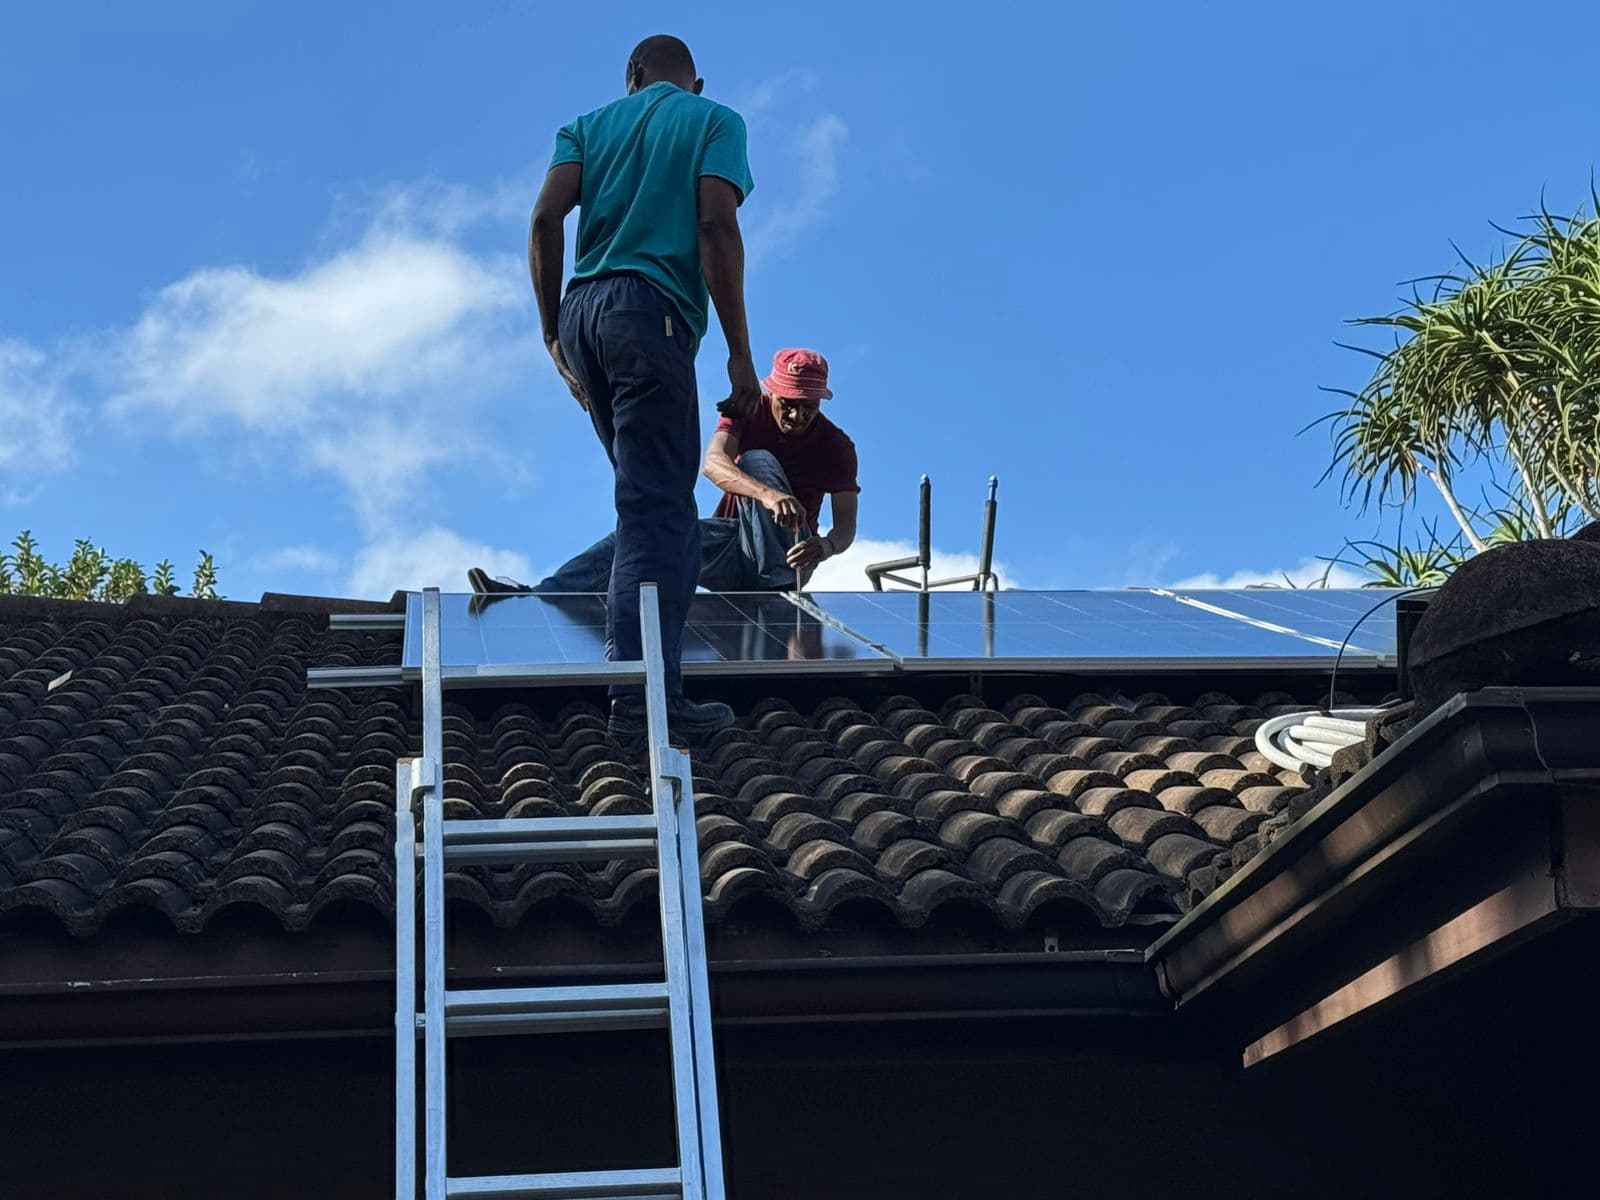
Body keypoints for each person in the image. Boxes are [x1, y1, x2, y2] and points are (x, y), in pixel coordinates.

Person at [507, 34, 760, 744]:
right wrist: (741, 355)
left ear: (632, 75)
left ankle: (643, 677)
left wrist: (552, 331)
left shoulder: (585, 127)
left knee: (651, 502)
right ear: (697, 83)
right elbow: (715, 222)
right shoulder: (713, 121)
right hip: (651, 315)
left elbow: (543, 219)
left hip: (585, 316)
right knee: (657, 509)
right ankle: (644, 697)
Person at [476, 347, 859, 596]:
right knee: (649, 533)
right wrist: (769, 495)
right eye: (788, 403)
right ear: (772, 393)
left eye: (807, 406)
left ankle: (774, 583)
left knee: (758, 459)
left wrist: (822, 547)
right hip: (733, 545)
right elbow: (714, 463)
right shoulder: (747, 410)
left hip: (788, 559)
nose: (796, 414)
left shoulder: (837, 448)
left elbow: (845, 528)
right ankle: (539, 595)